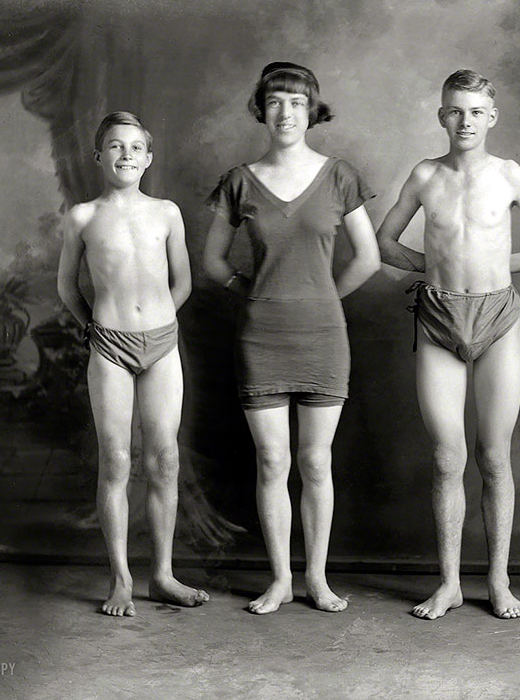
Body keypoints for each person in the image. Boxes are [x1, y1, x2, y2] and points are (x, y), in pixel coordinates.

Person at [377, 70, 520, 620]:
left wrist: (495, 264)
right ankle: (448, 584)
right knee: (446, 458)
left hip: (496, 318)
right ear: (441, 116)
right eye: (454, 111)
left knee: (494, 455)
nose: (465, 121)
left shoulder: (509, 175)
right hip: (438, 317)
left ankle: (499, 581)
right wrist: (429, 265)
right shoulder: (424, 175)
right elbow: (384, 242)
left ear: (492, 117)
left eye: (475, 112)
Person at [203, 62, 380, 614]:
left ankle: (318, 580)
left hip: (324, 337)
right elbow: (210, 260)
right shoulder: (239, 179)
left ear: (312, 111)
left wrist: (322, 298)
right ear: (262, 109)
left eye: (297, 103)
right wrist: (248, 287)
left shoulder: (340, 175)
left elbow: (369, 259)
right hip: (261, 338)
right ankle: (280, 579)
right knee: (272, 462)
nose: (286, 112)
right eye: (276, 101)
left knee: (316, 462)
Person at [57, 111, 207, 617]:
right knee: (117, 459)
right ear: (100, 157)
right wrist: (94, 330)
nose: (126, 154)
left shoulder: (167, 212)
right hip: (108, 347)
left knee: (165, 460)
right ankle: (121, 579)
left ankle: (162, 575)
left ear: (148, 157)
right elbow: (66, 286)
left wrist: (161, 322)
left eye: (135, 147)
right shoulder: (82, 216)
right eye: (115, 147)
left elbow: (182, 281)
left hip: (162, 343)